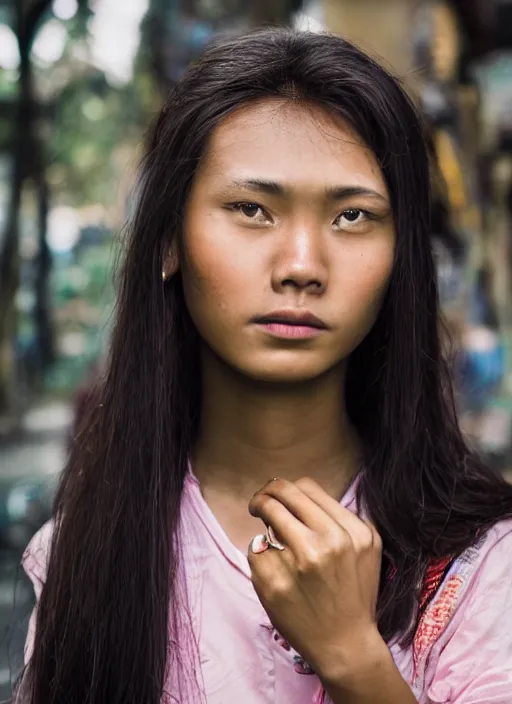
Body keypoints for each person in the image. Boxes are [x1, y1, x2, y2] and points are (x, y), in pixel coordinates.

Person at [16, 29, 512, 704]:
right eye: (252, 210)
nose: (302, 266)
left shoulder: (482, 561)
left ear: (401, 259)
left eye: (351, 216)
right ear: (169, 240)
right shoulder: (87, 552)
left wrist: (355, 660)